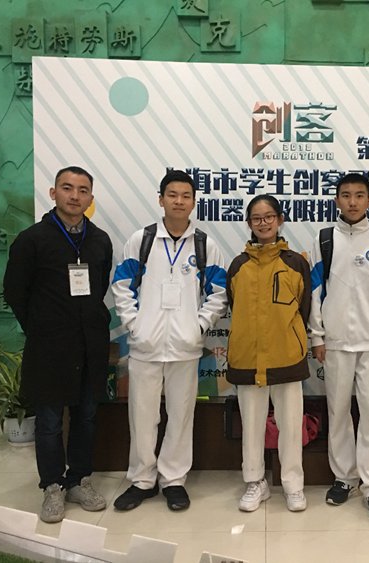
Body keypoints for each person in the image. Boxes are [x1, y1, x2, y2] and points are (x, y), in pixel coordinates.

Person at [111, 170, 227, 512]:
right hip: (145, 347)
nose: (179, 201)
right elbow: (121, 287)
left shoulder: (205, 245)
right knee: (142, 417)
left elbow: (218, 293)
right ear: (161, 199)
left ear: (194, 202)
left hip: (185, 349)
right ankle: (142, 480)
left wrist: (198, 327)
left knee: (180, 416)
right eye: (172, 195)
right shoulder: (142, 240)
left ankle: (174, 480)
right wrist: (135, 326)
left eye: (186, 195)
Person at [3, 165, 112, 523]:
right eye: (67, 188)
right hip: (49, 347)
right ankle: (52, 485)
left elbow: (100, 286)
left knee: (86, 416)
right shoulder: (32, 240)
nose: (74, 196)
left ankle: (79, 480)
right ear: (53, 193)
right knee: (49, 421)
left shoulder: (99, 240)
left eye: (82, 190)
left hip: (90, 345)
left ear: (90, 198)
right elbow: (15, 291)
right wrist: (39, 327)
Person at [309, 173, 369, 521]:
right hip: (335, 344)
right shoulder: (325, 239)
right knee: (337, 412)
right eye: (346, 195)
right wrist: (317, 336)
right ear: (336, 199)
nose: (352, 201)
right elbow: (315, 291)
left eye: (359, 195)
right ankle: (344, 478)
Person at [226, 195, 311, 513]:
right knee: (251, 425)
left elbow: (304, 309)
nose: (263, 223)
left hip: (286, 356)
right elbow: (234, 306)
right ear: (249, 223)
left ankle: (293, 484)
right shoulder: (238, 266)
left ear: (280, 220)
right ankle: (255, 482)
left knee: (291, 425)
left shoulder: (296, 263)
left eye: (269, 216)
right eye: (256, 218)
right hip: (247, 358)